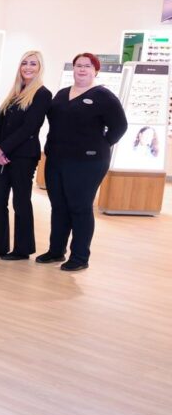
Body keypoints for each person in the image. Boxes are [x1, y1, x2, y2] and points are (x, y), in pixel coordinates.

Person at [37, 52, 127, 271]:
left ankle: (80, 257)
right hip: (57, 159)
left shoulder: (103, 96)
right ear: (73, 68)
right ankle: (56, 251)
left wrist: (100, 145)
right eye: (78, 65)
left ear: (96, 70)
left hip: (88, 163)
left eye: (87, 66)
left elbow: (120, 127)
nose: (82, 69)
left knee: (79, 207)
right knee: (59, 206)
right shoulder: (61, 94)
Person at [0, 51, 52, 261]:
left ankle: (23, 249)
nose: (28, 67)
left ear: (40, 68)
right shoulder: (14, 92)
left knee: (21, 201)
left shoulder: (42, 93)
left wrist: (4, 149)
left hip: (23, 156)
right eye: (24, 64)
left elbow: (30, 127)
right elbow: (0, 123)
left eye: (33, 64)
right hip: (3, 155)